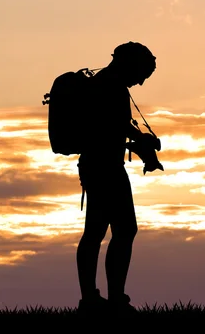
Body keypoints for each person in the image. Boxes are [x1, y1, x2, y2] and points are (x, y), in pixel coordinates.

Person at [76, 42, 158, 316]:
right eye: (142, 74)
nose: (141, 82)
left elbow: (111, 130)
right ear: (129, 64)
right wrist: (141, 140)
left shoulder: (103, 83)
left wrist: (138, 141)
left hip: (96, 166)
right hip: (105, 168)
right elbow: (115, 128)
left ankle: (93, 300)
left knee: (96, 233)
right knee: (123, 230)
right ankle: (113, 301)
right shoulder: (111, 87)